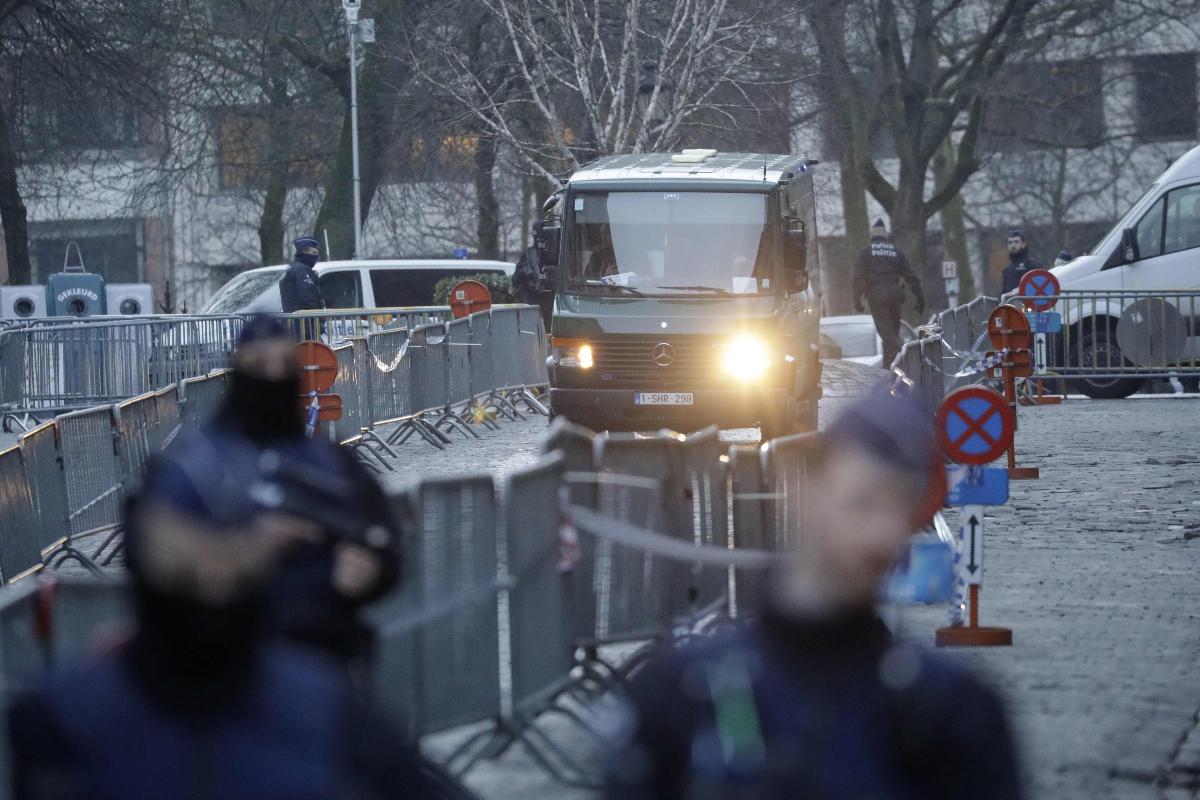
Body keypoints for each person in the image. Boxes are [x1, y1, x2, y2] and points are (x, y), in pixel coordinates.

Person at [6, 345, 429, 797]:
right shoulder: (60, 722)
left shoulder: (62, 719)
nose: (207, 586)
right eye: (186, 570)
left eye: (226, 571)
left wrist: (368, 571)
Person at [604, 382, 1024, 800]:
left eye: (900, 509)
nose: (882, 535)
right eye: (862, 502)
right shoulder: (681, 695)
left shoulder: (951, 710)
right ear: (806, 491)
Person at [853, 218, 924, 368]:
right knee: (893, 332)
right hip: (895, 296)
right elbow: (911, 277)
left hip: (876, 296)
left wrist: (857, 301)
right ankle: (889, 368)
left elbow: (858, 278)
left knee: (887, 334)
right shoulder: (896, 252)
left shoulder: (866, 253)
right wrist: (920, 299)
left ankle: (902, 350)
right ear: (885, 235)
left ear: (872, 235)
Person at [1000, 229, 1044, 294]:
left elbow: (1042, 286)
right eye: (1010, 242)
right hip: (1011, 300)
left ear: (1023, 244)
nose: (1013, 245)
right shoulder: (1007, 270)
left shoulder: (1034, 264)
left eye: (1016, 242)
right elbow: (1004, 293)